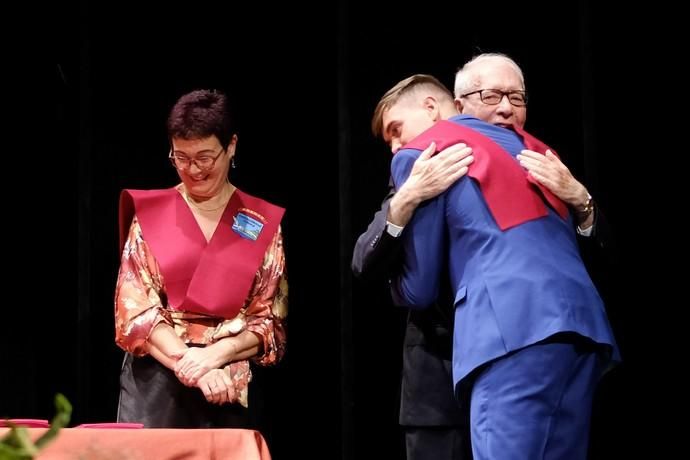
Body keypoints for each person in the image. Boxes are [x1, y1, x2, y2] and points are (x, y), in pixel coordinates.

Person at [353, 53, 608, 460]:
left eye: (397, 131)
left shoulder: (424, 155)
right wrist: (404, 203)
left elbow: (417, 289)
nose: (397, 147)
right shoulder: (539, 152)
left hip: (502, 340)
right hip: (576, 336)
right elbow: (364, 257)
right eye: (492, 96)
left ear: (437, 108)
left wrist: (585, 203)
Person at [115, 89, 287, 428]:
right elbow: (133, 311)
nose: (192, 169)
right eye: (181, 158)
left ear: (231, 145)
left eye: (205, 157)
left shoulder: (258, 221)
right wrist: (192, 365)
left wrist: (215, 356)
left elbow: (269, 323)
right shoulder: (153, 215)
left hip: (229, 384)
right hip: (156, 385)